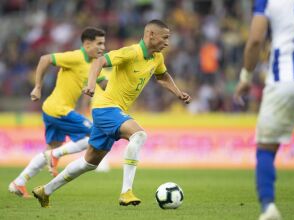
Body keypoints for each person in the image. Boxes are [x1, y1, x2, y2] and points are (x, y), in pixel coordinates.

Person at [32, 19, 191, 208]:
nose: (167, 42)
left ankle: (45, 191)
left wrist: (178, 93)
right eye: (165, 38)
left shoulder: (157, 58)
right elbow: (99, 61)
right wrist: (91, 85)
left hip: (110, 112)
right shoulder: (130, 52)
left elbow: (162, 76)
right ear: (150, 35)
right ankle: (126, 192)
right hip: (106, 108)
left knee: (88, 163)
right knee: (139, 135)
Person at [234, 0, 294, 219]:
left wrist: (246, 77)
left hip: (283, 80)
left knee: (266, 146)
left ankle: (269, 208)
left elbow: (256, 40)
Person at [9, 27, 107, 198]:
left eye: (103, 43)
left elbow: (105, 84)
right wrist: (38, 87)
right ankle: (56, 155)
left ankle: (19, 182)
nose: (103, 47)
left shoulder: (94, 64)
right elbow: (45, 59)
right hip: (59, 109)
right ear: (87, 44)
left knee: (50, 148)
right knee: (97, 134)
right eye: (99, 43)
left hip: (52, 109)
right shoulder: (75, 57)